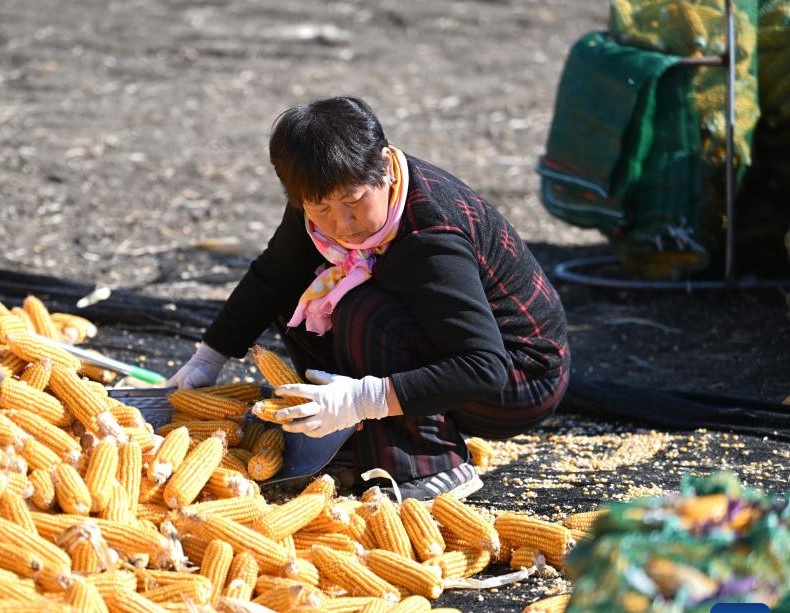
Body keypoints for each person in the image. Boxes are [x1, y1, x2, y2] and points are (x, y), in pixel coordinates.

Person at [168, 96, 570, 501]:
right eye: (320, 207)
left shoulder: (430, 236)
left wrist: (363, 400)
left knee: (368, 312)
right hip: (456, 358)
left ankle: (434, 463)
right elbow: (273, 276)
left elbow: (484, 368)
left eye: (354, 201)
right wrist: (208, 358)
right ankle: (351, 440)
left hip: (517, 382)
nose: (342, 225)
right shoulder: (318, 196)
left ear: (385, 168)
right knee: (295, 299)